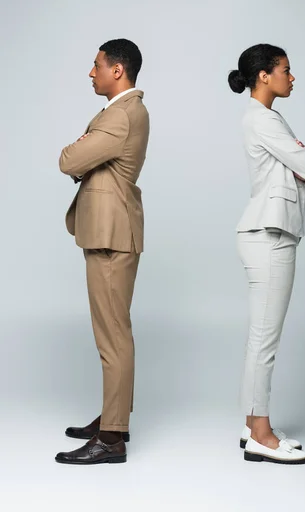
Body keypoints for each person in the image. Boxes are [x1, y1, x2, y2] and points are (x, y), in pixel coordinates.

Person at [228, 44, 305, 464]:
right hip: (269, 236)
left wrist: (299, 159)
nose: (292, 76)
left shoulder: (266, 118)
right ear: (264, 76)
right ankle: (260, 436)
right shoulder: (262, 120)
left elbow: (302, 165)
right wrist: (301, 157)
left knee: (261, 338)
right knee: (264, 340)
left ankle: (253, 424)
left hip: (268, 232)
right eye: (286, 69)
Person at [56, 38, 150, 465]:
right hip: (107, 232)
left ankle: (112, 437)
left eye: (96, 66)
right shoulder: (120, 114)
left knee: (113, 336)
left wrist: (83, 144)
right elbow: (85, 159)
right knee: (112, 333)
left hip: (112, 236)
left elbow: (69, 160)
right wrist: (89, 145)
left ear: (118, 70)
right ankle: (112, 418)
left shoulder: (121, 116)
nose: (90, 73)